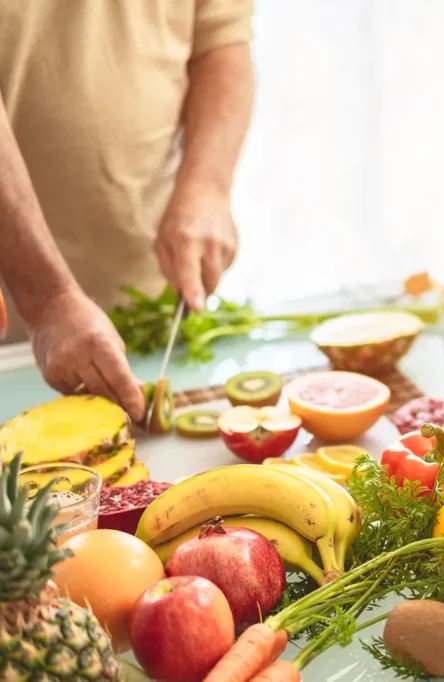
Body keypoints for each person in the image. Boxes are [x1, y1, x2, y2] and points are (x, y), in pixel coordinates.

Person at [0, 1, 255, 421]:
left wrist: (208, 185)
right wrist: (46, 300)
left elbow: (220, 38)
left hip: (149, 298)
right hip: (11, 320)